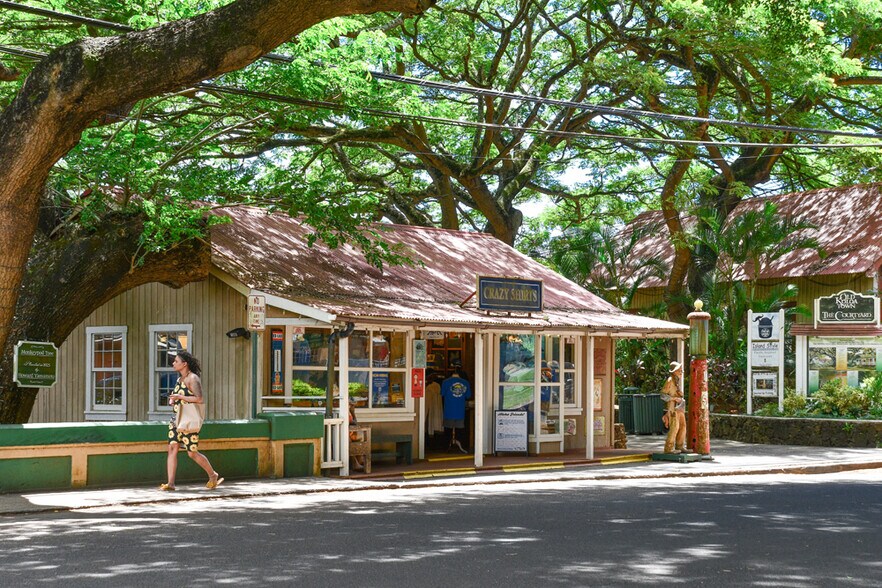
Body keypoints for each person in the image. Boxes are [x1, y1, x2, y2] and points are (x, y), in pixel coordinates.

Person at [160, 350, 223, 491]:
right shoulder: (179, 379)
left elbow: (199, 399)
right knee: (172, 448)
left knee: (192, 452)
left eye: (176, 361)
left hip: (189, 420)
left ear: (184, 364)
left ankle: (213, 475)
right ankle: (170, 483)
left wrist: (180, 397)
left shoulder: (193, 378)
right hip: (176, 418)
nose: (173, 363)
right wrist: (174, 399)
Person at [441, 370, 472, 453]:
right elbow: (468, 395)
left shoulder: (445, 382)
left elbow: (442, 394)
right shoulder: (465, 382)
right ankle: (461, 447)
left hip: (448, 410)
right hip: (460, 411)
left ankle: (446, 447)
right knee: (460, 431)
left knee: (447, 430)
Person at [661, 361, 687, 454]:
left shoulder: (677, 381)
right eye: (679, 370)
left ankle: (680, 446)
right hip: (673, 408)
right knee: (674, 427)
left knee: (683, 426)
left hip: (679, 408)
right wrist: (673, 398)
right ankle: (669, 448)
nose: (681, 372)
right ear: (674, 371)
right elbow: (663, 395)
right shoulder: (669, 381)